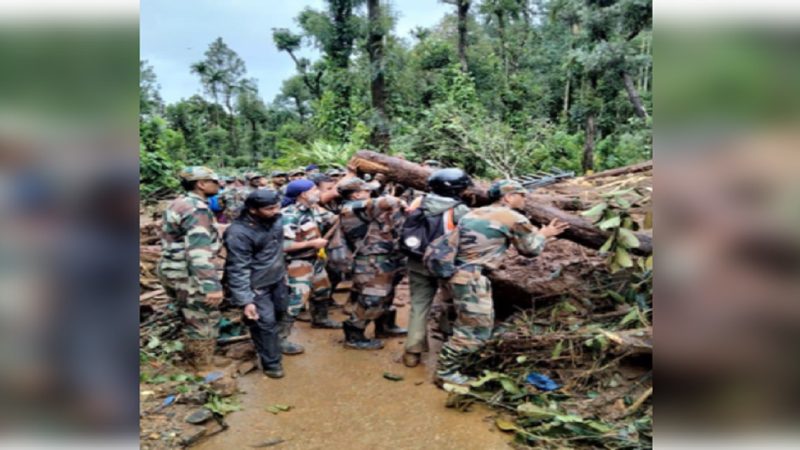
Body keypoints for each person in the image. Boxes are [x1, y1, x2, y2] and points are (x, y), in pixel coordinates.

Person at [435, 180, 569, 386]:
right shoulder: (513, 217)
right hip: (472, 278)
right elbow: (530, 250)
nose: (525, 198)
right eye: (521, 194)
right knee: (476, 330)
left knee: (466, 322)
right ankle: (446, 372)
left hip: (455, 273)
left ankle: (455, 362)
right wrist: (544, 234)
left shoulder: (474, 213)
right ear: (508, 197)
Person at [402, 168, 473, 368]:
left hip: (418, 261)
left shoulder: (419, 203)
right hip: (446, 263)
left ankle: (412, 352)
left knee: (419, 305)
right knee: (450, 301)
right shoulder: (460, 211)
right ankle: (448, 339)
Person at [157, 166, 224, 368]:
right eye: (214, 181)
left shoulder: (180, 203)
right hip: (187, 274)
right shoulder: (197, 209)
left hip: (171, 268)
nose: (219, 184)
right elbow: (198, 253)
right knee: (203, 318)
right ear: (201, 184)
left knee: (188, 315)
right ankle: (203, 367)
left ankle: (192, 357)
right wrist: (211, 286)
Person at [223, 189, 289, 379]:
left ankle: (277, 344)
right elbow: (237, 268)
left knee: (280, 313)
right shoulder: (238, 233)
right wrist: (246, 300)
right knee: (264, 323)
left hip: (276, 278)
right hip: (256, 285)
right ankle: (271, 362)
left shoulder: (275, 219)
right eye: (270, 208)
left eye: (277, 206)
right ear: (252, 210)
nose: (276, 211)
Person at [337, 177, 408, 350]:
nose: (370, 193)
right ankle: (354, 334)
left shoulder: (364, 208)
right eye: (366, 191)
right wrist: (402, 202)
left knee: (386, 295)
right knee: (372, 298)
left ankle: (384, 327)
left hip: (384, 260)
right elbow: (389, 201)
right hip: (370, 263)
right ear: (355, 195)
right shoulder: (351, 208)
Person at [281, 179, 342, 339]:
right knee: (297, 299)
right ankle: (281, 338)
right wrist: (312, 243)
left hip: (315, 260)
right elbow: (284, 245)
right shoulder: (289, 215)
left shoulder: (313, 209)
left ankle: (320, 319)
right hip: (297, 262)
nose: (318, 192)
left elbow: (333, 219)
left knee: (322, 289)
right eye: (314, 189)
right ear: (303, 194)